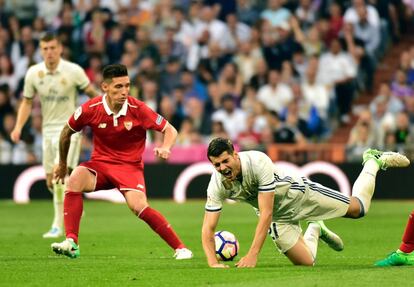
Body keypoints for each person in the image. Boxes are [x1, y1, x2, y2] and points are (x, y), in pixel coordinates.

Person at [51, 64, 193, 260]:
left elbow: (170, 130)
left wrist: (166, 146)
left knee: (139, 207)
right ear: (105, 87)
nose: (124, 91)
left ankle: (181, 248)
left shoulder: (138, 108)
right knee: (74, 179)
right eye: (118, 87)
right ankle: (72, 242)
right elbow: (66, 132)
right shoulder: (90, 109)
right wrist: (63, 164)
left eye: (127, 86)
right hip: (100, 165)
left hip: (129, 167)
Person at [201, 137, 410, 268]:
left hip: (300, 196)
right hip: (278, 217)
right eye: (216, 164)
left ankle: (373, 161)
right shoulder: (217, 183)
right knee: (307, 262)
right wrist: (212, 263)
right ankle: (316, 229)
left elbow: (265, 212)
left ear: (235, 155)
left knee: (359, 209)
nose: (222, 168)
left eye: (225, 161)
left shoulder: (257, 162)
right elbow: (208, 227)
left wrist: (252, 255)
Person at [10, 33, 98, 238]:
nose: (49, 52)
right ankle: (73, 200)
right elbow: (27, 102)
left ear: (60, 49)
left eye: (52, 48)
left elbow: (92, 94)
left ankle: (59, 225)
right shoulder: (34, 73)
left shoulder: (73, 71)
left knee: (60, 175)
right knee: (51, 181)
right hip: (48, 131)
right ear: (41, 51)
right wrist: (18, 127)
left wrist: (103, 114)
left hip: (70, 129)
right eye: (45, 48)